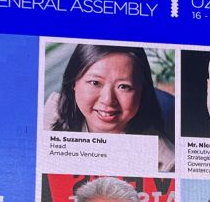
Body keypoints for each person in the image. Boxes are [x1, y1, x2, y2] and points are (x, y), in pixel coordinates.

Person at [43, 43, 175, 172]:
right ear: (73, 83)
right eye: (95, 83)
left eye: (123, 86)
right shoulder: (54, 111)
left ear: (142, 92)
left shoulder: (165, 163)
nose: (108, 100)